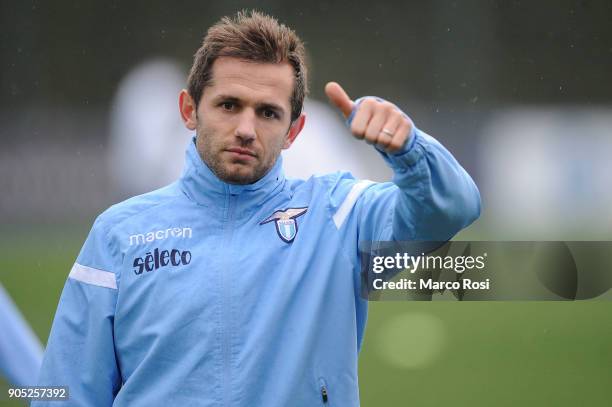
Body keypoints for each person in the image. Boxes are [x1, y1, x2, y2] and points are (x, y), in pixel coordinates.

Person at [35, 10, 480, 406]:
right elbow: (64, 390)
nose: (246, 129)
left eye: (268, 113)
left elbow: (452, 209)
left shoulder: (340, 217)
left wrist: (411, 151)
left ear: (293, 129)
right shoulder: (119, 234)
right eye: (229, 105)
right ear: (190, 110)